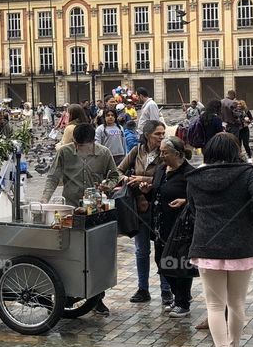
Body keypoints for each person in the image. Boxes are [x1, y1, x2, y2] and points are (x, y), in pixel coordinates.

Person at [189, 133, 253, 347]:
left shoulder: (195, 177)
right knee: (237, 303)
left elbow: (192, 208)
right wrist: (251, 218)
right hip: (241, 244)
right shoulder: (246, 173)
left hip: (207, 245)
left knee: (215, 305)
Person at [43, 122, 118, 316]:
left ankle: (97, 298)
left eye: (84, 146)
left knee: (95, 256)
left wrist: (107, 186)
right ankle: (68, 294)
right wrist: (44, 200)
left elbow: (115, 176)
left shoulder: (103, 153)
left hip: (95, 211)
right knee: (71, 253)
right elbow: (53, 177)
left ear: (93, 142)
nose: (80, 149)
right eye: (77, 145)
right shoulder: (65, 153)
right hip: (70, 209)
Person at [118, 120, 171, 306]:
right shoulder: (137, 151)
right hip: (139, 206)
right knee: (141, 250)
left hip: (160, 207)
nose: (161, 137)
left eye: (163, 133)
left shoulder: (166, 154)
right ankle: (143, 289)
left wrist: (145, 179)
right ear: (148, 135)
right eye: (158, 134)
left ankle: (166, 290)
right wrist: (127, 179)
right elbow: (118, 170)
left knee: (162, 249)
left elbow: (169, 176)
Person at [149, 135, 196, 317]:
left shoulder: (189, 174)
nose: (161, 155)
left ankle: (183, 302)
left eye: (165, 152)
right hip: (161, 226)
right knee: (162, 262)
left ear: (177, 154)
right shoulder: (161, 170)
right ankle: (180, 297)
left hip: (181, 228)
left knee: (180, 264)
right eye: (160, 151)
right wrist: (147, 189)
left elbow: (198, 198)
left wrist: (185, 201)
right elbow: (156, 190)